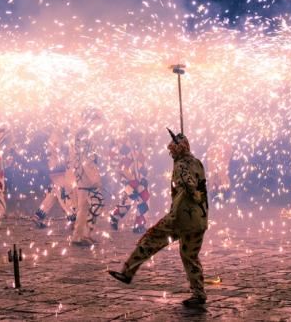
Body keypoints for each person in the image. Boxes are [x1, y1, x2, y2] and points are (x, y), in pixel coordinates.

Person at [108, 129, 209, 306]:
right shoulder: (197, 162)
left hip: (180, 218)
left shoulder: (181, 166)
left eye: (172, 149)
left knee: (150, 238)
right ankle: (199, 293)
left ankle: (127, 272)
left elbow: (190, 185)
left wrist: (191, 193)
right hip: (200, 219)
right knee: (189, 255)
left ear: (179, 149)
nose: (170, 152)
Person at [69, 109, 105, 246]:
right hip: (86, 177)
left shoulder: (83, 132)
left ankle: (81, 235)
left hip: (83, 176)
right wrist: (94, 178)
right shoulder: (85, 133)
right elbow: (85, 159)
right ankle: (82, 235)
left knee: (85, 206)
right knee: (95, 203)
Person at [34, 127, 76, 228]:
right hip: (57, 169)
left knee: (54, 193)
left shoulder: (59, 135)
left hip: (58, 168)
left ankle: (39, 215)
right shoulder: (56, 136)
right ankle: (73, 217)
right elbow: (54, 151)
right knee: (62, 193)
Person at [109, 135, 150, 233]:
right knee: (127, 202)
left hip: (140, 181)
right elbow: (121, 169)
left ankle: (139, 225)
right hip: (129, 182)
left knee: (144, 199)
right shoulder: (125, 152)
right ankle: (114, 217)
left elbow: (144, 168)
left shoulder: (142, 153)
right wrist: (127, 182)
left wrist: (143, 181)